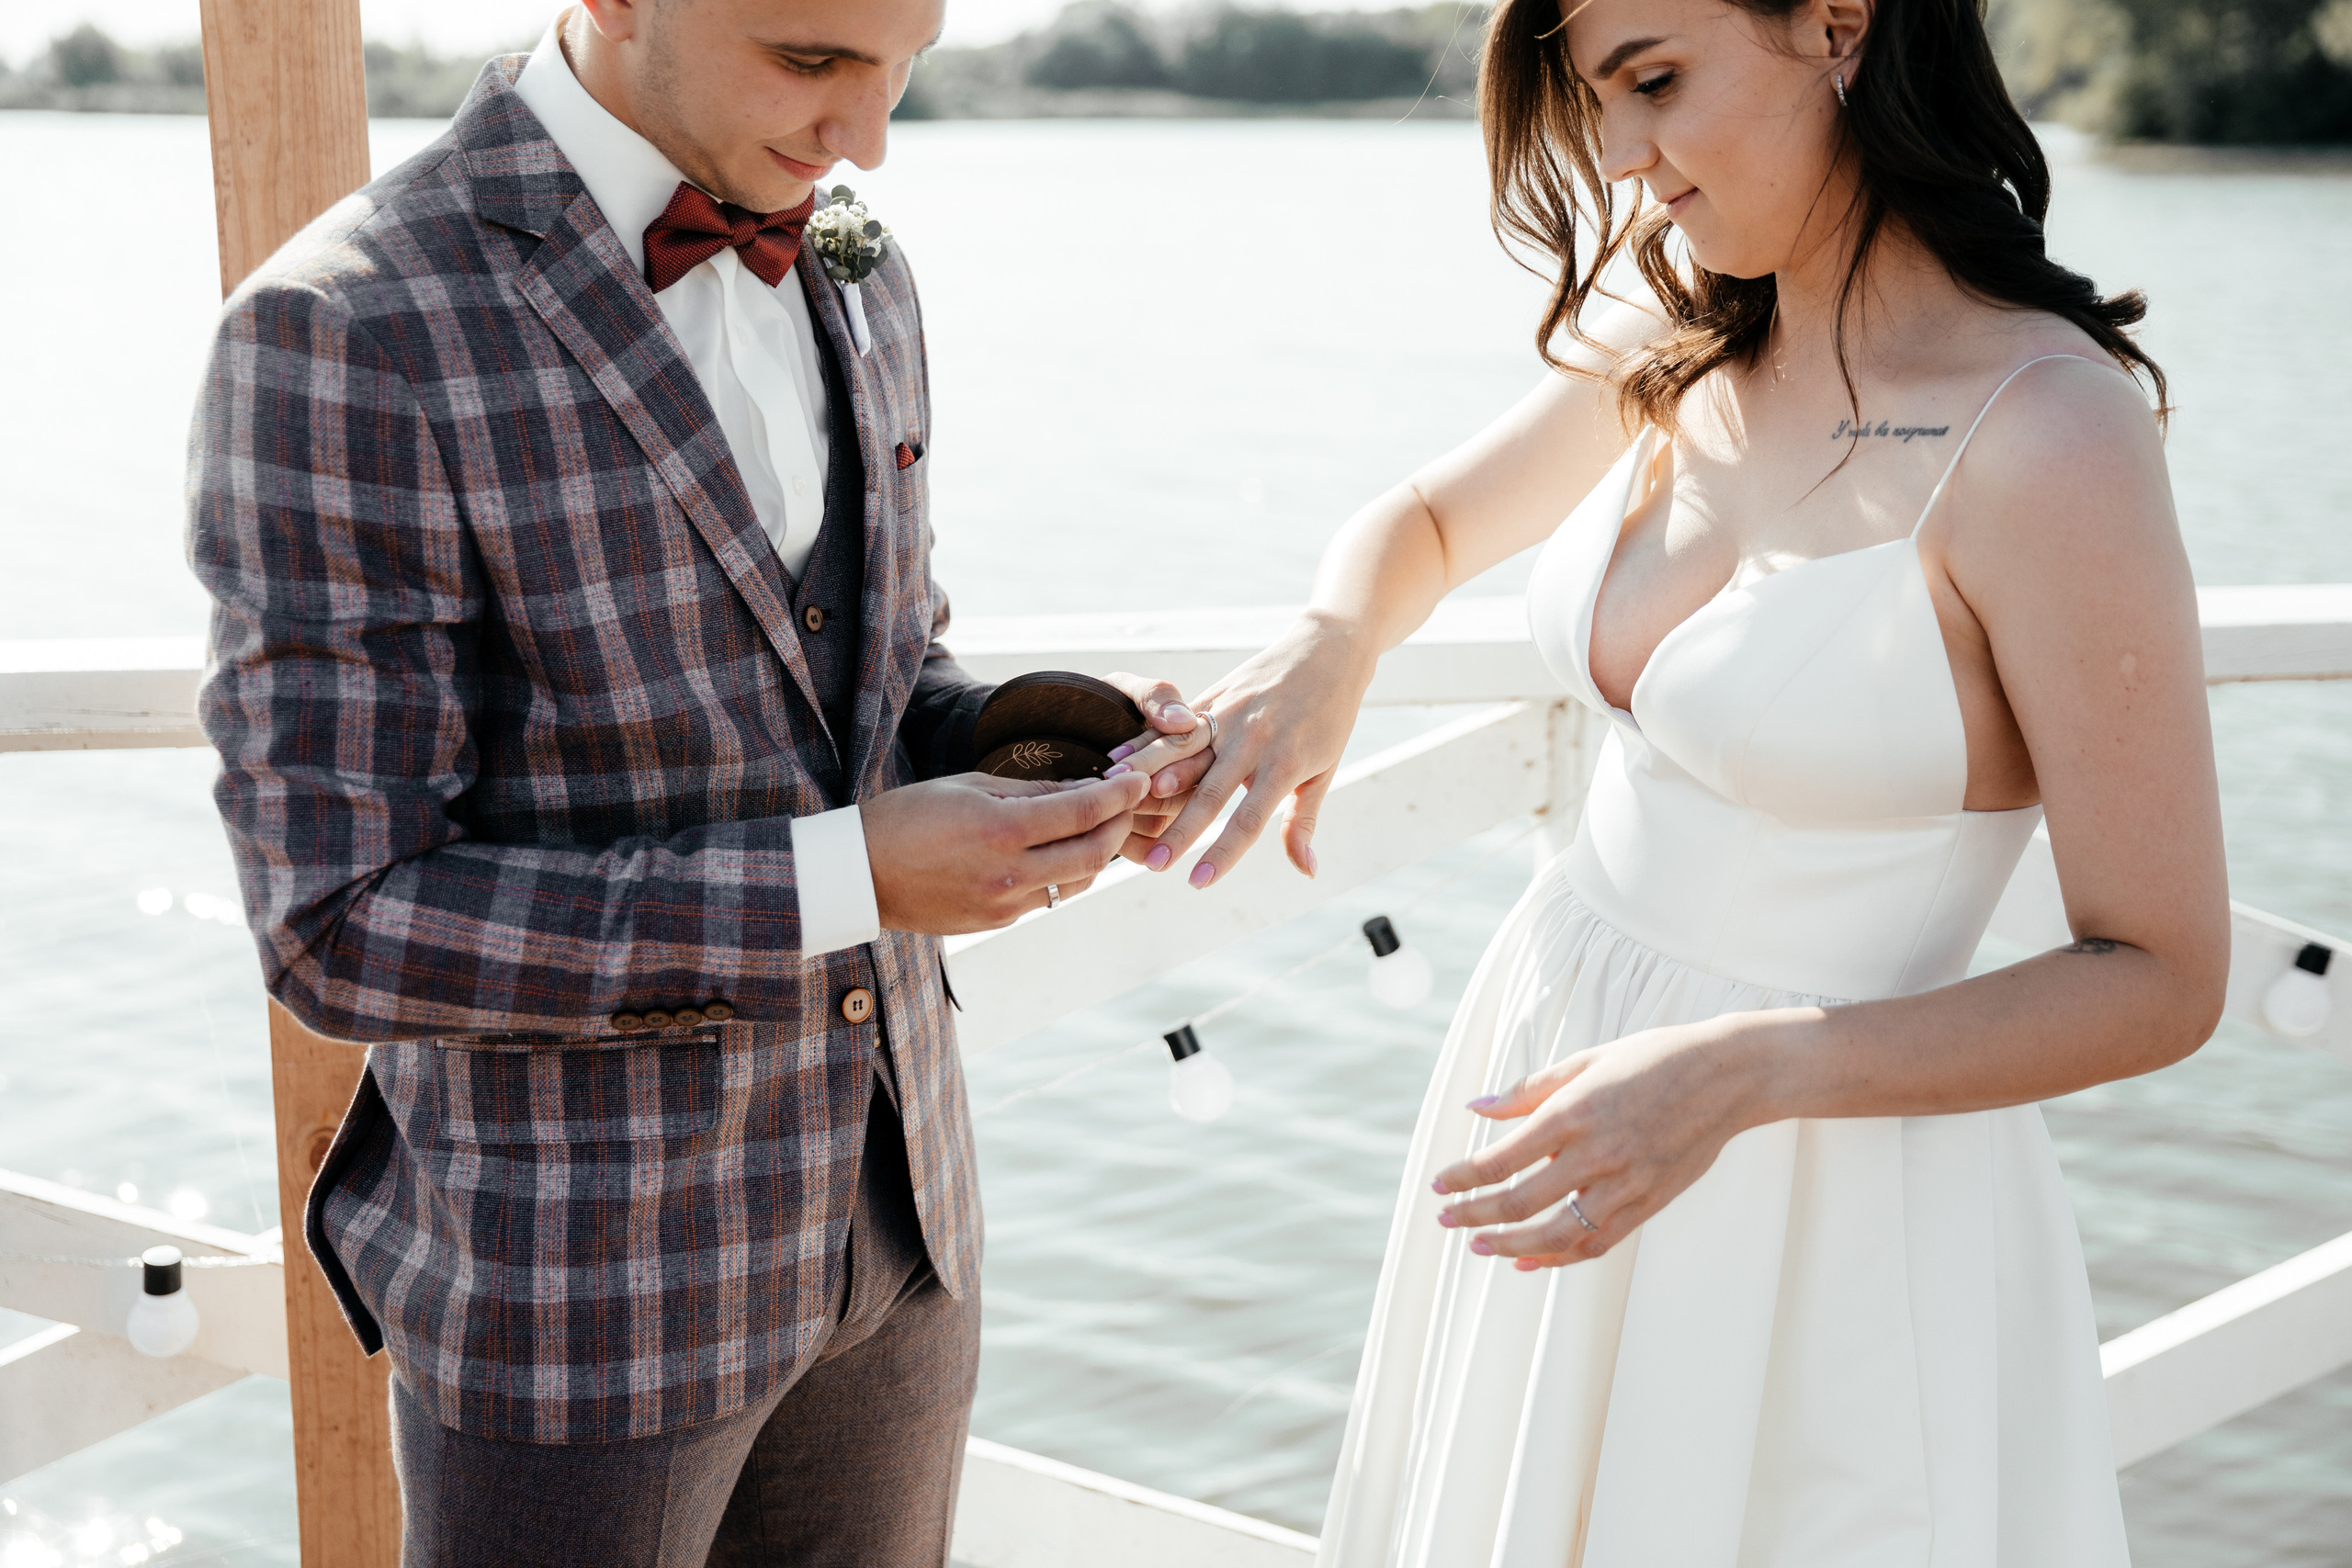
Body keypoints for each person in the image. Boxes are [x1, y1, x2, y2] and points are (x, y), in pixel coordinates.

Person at [1116, 0, 2227, 1561]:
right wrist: (1330, 650)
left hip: (1823, 1190)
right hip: (1553, 1072)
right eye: (1597, 100)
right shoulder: (1694, 330)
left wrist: (1744, 1073)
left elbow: (2164, 974)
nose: (1624, 159)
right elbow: (1425, 525)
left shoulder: (2049, 436)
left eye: (1656, 82)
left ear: (1839, 24)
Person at [187, 2, 1200, 1562]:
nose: (865, 139)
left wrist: (1044, 736)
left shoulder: (857, 260)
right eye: (811, 63)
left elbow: (870, 674)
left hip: (903, 1242)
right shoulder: (345, 328)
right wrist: (851, 877)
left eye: (900, 66)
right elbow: (341, 921)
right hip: (587, 1311)